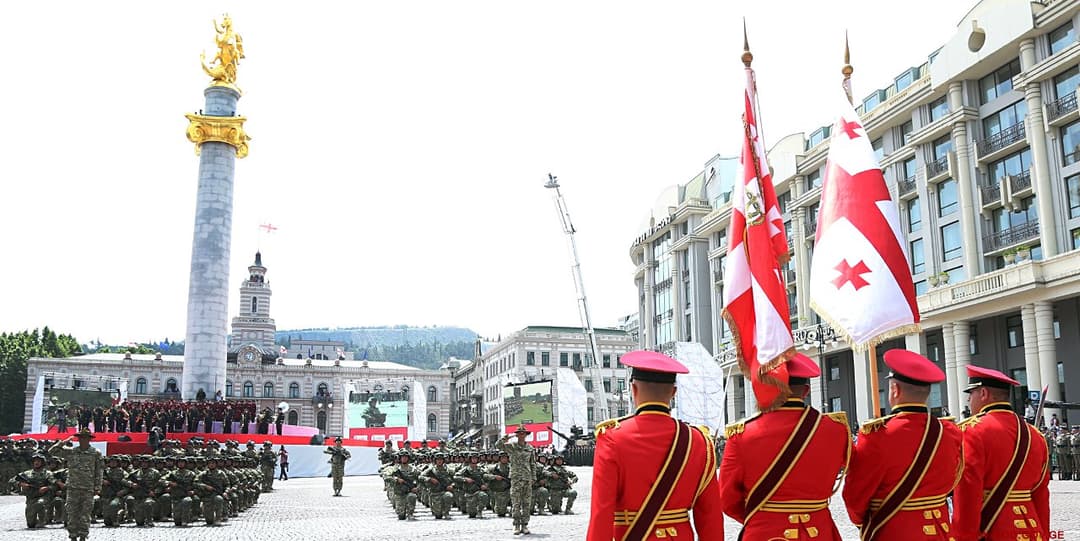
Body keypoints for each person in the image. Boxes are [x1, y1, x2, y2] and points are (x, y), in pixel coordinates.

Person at [587, 350, 723, 541]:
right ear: (673, 393)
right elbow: (711, 517)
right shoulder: (699, 441)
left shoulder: (612, 438)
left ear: (633, 389)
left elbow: (601, 514)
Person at [720, 353, 849, 540]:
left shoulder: (742, 434)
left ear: (767, 387)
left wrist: (761, 518)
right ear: (805, 391)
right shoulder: (836, 430)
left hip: (765, 533)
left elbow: (727, 500)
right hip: (819, 532)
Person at [842, 349, 963, 540]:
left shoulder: (877, 436)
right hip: (940, 530)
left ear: (895, 390)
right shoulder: (950, 432)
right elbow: (953, 481)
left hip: (894, 530)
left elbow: (855, 496)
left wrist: (864, 521)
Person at [954, 365, 1050, 540]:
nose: (969, 400)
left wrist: (963, 537)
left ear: (983, 393)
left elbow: (967, 494)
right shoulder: (1036, 435)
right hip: (1031, 528)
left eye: (971, 394)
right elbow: (1041, 495)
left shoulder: (971, 431)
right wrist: (1044, 535)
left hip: (993, 530)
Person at [49, 428, 103, 541]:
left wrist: (97, 487)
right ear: (78, 439)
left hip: (88, 488)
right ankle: (73, 536)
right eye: (81, 438)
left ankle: (83, 535)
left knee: (85, 513)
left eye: (85, 438)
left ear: (89, 439)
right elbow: (52, 451)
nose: (82, 440)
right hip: (72, 488)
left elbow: (99, 471)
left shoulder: (95, 453)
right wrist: (63, 441)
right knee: (72, 513)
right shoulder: (72, 451)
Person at [498, 424, 536, 534]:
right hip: (516, 478)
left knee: (526, 503)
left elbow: (532, 464)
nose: (521, 435)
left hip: (527, 478)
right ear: (517, 435)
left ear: (526, 435)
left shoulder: (530, 448)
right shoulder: (512, 446)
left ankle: (525, 525)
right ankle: (516, 525)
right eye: (519, 433)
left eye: (523, 433)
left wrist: (533, 477)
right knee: (516, 503)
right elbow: (498, 445)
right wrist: (506, 438)